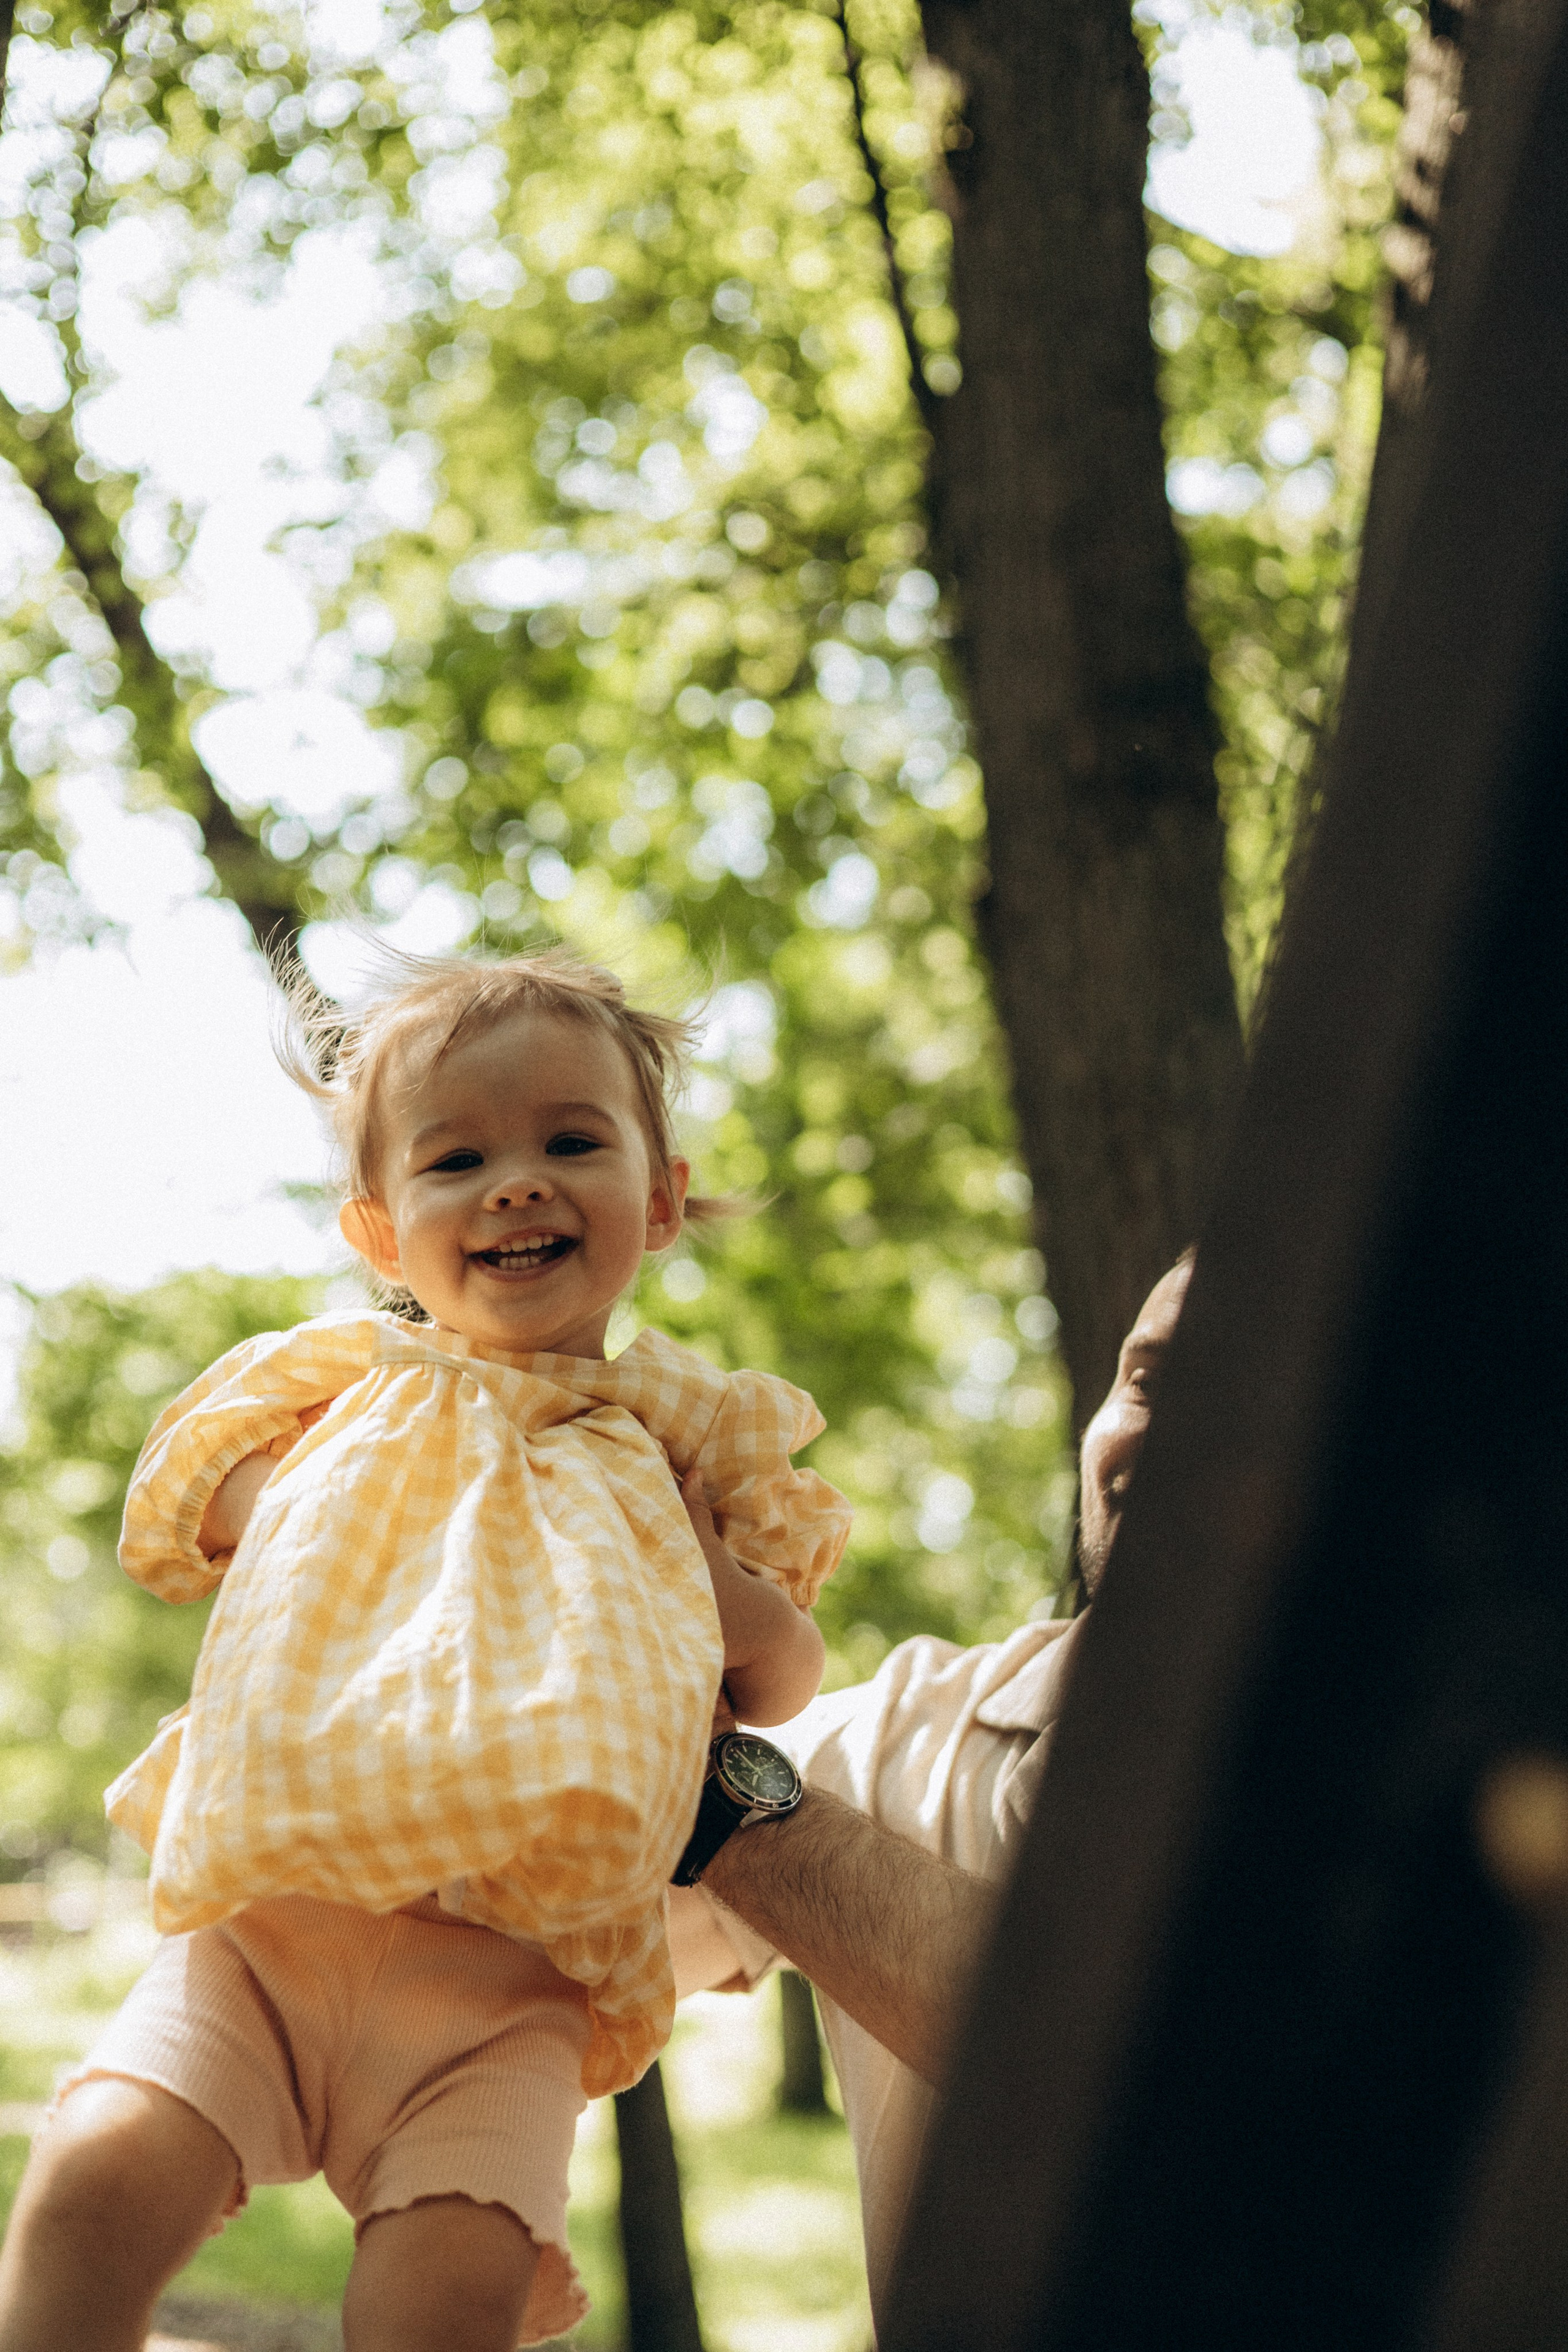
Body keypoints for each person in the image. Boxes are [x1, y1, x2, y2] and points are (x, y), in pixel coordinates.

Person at [0, 948, 848, 2352]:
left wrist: (701, 1581)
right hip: (272, 1929)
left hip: (507, 1991)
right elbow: (178, 1511)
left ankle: (490, 2279)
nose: (515, 1181)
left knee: (435, 2307)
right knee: (93, 2183)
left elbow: (777, 1678)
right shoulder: (345, 1388)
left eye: (570, 1141)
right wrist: (300, 1508)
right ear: (383, 1235)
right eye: (456, 1159)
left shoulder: (682, 1442)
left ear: (661, 1199)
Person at [669, 1254, 1193, 2314]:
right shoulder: (912, 1725)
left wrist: (723, 1806)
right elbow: (539, 1923)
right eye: (1149, 1378)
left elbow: (1108, 2072)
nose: (1175, 1430)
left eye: (1243, 1388)